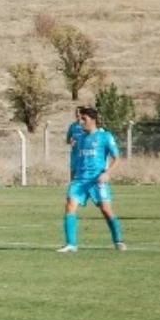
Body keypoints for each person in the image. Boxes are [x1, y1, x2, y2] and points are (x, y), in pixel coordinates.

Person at [57, 106, 125, 253]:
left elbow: (117, 158)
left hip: (97, 180)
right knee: (69, 206)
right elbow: (75, 160)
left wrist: (107, 173)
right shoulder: (78, 139)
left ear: (93, 120)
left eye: (84, 119)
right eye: (79, 118)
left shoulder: (105, 137)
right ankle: (71, 244)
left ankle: (118, 240)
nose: (80, 121)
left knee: (106, 210)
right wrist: (72, 177)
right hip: (79, 180)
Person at [66, 106, 85, 180]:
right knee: (73, 175)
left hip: (84, 154)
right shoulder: (73, 126)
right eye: (76, 112)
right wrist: (70, 141)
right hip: (75, 154)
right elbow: (67, 140)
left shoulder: (86, 126)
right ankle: (73, 190)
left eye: (79, 112)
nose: (78, 114)